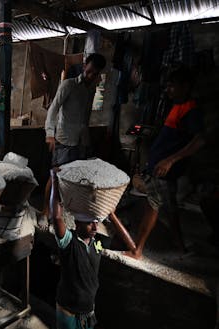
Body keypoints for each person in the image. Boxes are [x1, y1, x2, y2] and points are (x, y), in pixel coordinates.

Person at [124, 65, 205, 259]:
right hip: (160, 167)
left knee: (152, 205)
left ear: (185, 86)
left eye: (172, 86)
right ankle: (180, 246)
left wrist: (170, 160)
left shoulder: (191, 110)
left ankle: (137, 250)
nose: (167, 90)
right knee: (169, 208)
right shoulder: (177, 106)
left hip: (164, 170)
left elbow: (200, 140)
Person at [41, 53, 107, 224]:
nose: (91, 76)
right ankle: (45, 211)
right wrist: (49, 134)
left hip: (80, 142)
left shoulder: (91, 90)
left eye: (95, 73)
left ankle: (63, 212)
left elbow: (85, 118)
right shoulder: (68, 85)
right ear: (84, 66)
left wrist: (87, 141)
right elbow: (53, 110)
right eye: (90, 71)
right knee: (55, 177)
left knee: (73, 179)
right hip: (64, 139)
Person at [50, 172, 103, 329]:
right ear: (77, 222)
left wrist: (112, 214)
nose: (95, 228)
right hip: (69, 312)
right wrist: (54, 181)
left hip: (88, 311)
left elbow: (128, 244)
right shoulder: (69, 242)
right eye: (89, 224)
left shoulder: (97, 243)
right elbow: (57, 217)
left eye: (96, 223)